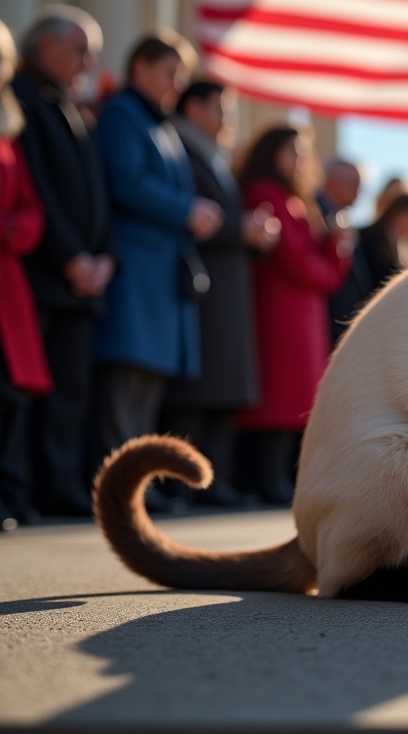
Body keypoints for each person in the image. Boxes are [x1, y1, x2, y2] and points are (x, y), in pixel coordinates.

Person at [92, 32, 223, 504]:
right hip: (136, 270)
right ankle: (117, 489)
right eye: (169, 74)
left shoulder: (159, 125)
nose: (175, 85)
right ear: (140, 68)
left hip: (160, 275)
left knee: (147, 387)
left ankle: (136, 485)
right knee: (125, 382)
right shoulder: (123, 114)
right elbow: (127, 181)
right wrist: (186, 209)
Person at [12, 6, 112, 517]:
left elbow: (100, 194)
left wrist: (104, 257)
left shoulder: (71, 105)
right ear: (46, 47)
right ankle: (19, 490)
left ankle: (60, 486)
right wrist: (72, 256)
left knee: (70, 393)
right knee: (29, 393)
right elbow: (38, 190)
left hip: (83, 280)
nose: (89, 61)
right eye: (80, 49)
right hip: (46, 276)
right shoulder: (23, 98)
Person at [159, 81, 279, 506]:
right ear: (194, 108)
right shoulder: (181, 150)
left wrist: (250, 232)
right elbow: (195, 215)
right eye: (221, 108)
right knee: (195, 393)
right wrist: (239, 227)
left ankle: (212, 481)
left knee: (223, 391)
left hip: (227, 285)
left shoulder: (215, 158)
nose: (229, 118)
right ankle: (180, 482)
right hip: (198, 288)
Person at [236, 125, 351, 503]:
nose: (300, 161)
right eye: (292, 152)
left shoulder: (298, 201)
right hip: (278, 310)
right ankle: (265, 479)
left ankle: (281, 478)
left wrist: (333, 251)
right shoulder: (265, 192)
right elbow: (299, 263)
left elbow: (323, 272)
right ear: (271, 153)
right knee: (278, 397)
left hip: (302, 312)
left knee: (297, 399)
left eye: (303, 153)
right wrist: (330, 255)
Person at [0, 8, 52, 531]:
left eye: (0, 60)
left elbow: (31, 208)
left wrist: (13, 231)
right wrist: (3, 230)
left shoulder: (5, 132)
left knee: (3, 395)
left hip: (5, 284)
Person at [328, 192, 408, 345]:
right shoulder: (370, 237)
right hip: (353, 319)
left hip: (377, 324)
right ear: (400, 214)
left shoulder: (406, 248)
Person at [315, 157, 363, 228]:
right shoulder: (311, 211)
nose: (356, 195)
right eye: (353, 186)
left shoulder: (340, 219)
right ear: (332, 182)